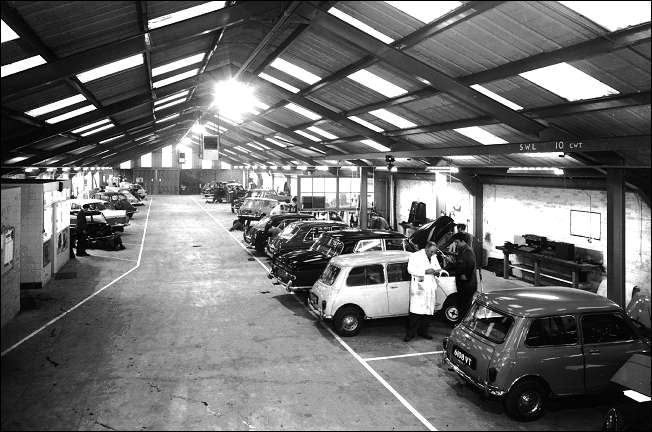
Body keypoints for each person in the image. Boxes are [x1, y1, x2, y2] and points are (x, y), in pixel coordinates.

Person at [405, 241, 444, 341]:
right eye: (431, 252)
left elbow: (438, 268)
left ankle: (424, 332)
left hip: (430, 287)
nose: (433, 254)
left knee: (428, 312)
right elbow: (410, 269)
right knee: (416, 313)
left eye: (434, 252)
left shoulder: (434, 256)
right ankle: (410, 334)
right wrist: (425, 272)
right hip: (420, 288)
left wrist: (436, 272)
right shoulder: (415, 256)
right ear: (426, 249)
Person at [450, 232, 477, 319]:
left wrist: (466, 276)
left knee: (464, 306)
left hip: (467, 285)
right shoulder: (462, 250)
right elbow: (460, 264)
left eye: (457, 242)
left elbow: (471, 264)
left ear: (462, 241)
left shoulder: (467, 250)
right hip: (464, 284)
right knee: (461, 305)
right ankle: (461, 321)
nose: (456, 244)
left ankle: (463, 323)